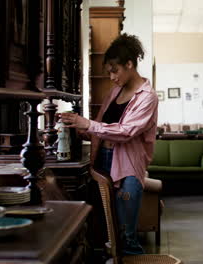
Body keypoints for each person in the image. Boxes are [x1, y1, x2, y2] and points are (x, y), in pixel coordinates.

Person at [59, 33, 158, 255]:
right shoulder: (115, 92)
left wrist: (88, 123)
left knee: (126, 236)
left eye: (115, 70)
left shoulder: (147, 96)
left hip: (128, 167)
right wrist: (77, 127)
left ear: (129, 64)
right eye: (109, 72)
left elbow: (126, 132)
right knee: (106, 233)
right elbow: (101, 126)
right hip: (102, 161)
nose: (112, 76)